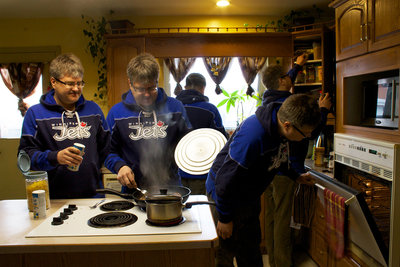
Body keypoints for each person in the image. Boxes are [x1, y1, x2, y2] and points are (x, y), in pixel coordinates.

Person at [206, 93, 322, 267]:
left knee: (251, 250)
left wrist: (295, 176)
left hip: (248, 195)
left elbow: (278, 157)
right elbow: (224, 180)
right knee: (226, 253)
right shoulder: (253, 137)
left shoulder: (281, 125)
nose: (307, 136)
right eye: (305, 133)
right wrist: (225, 218)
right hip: (225, 195)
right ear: (288, 126)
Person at [262, 61, 331, 267]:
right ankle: (282, 264)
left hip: (269, 171)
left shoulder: (269, 100)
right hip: (287, 170)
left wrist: (297, 67)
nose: (290, 78)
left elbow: (284, 78)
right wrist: (323, 110)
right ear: (282, 81)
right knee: (283, 223)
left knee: (272, 219)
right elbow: (310, 133)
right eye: (287, 76)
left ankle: (274, 261)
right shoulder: (291, 103)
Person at [18, 53, 110, 199]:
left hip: (94, 197)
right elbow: (25, 159)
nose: (76, 88)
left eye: (79, 83)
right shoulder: (35, 114)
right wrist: (55, 157)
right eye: (70, 83)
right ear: (53, 82)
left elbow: (107, 150)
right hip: (55, 199)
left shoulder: (94, 111)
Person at [105, 53, 191, 191]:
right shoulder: (116, 113)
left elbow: (188, 144)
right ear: (130, 83)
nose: (146, 94)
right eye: (140, 89)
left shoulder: (176, 108)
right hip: (134, 190)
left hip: (171, 188)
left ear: (157, 81)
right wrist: (119, 166)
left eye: (152, 88)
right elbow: (107, 151)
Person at [176, 73, 228, 195]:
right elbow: (221, 141)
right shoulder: (210, 110)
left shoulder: (173, 107)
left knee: (179, 209)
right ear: (203, 88)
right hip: (202, 171)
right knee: (200, 210)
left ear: (185, 86)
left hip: (175, 172)